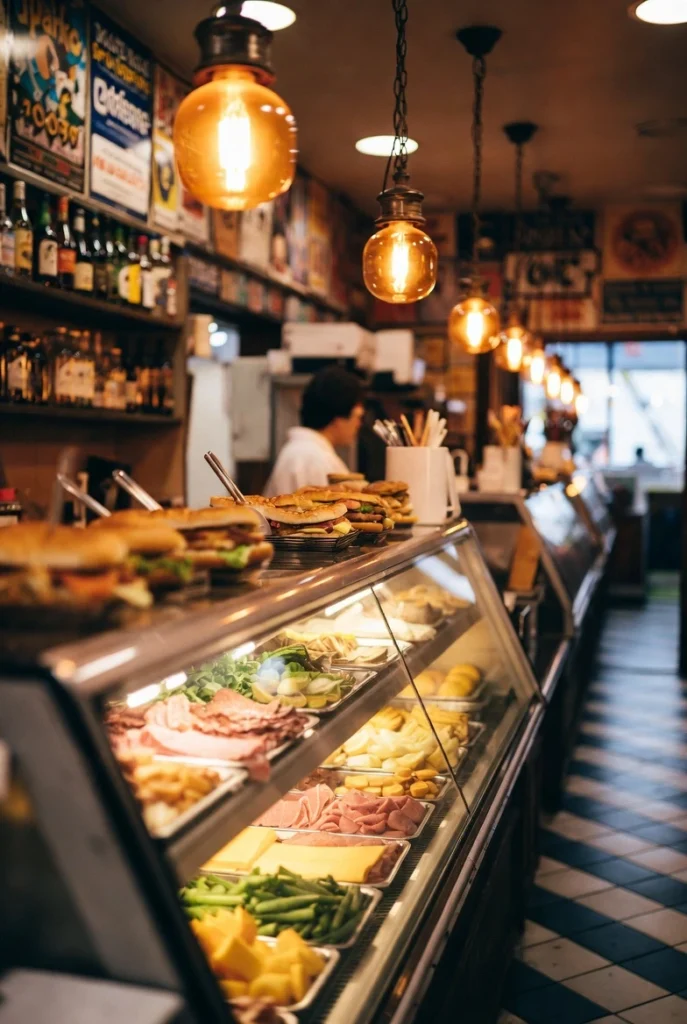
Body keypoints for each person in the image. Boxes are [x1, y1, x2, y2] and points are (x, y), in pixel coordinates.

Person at [264, 367, 365, 496]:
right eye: (358, 416)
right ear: (338, 416)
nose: (359, 424)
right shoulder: (311, 458)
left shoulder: (308, 453)